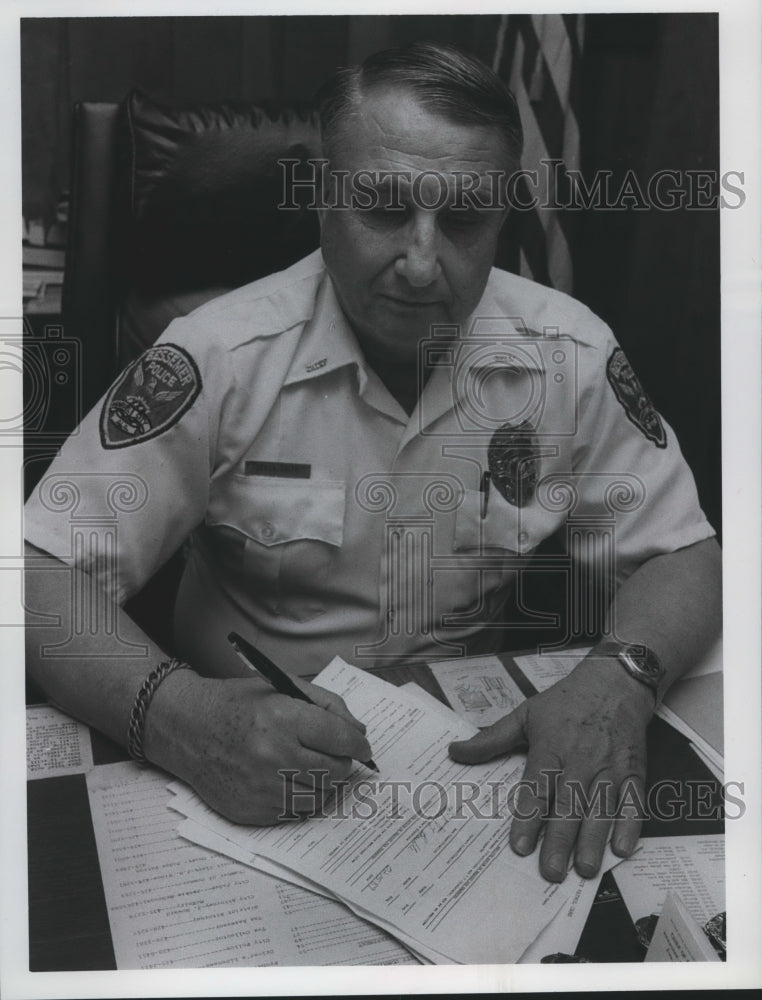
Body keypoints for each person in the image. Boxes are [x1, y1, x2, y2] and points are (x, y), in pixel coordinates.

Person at [24, 41, 721, 884]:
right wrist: (178, 718)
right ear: (321, 196)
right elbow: (34, 573)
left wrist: (621, 676)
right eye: (384, 208)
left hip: (474, 771)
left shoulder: (567, 353)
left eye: (464, 220)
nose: (423, 262)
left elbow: (681, 552)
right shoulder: (220, 356)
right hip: (241, 762)